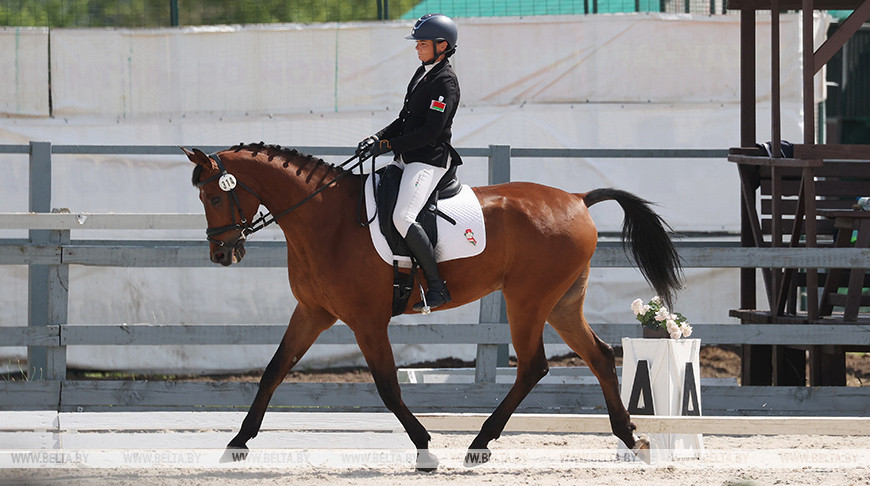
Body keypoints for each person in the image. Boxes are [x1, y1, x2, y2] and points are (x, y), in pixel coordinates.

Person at [358, 13, 461, 312]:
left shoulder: (445, 82)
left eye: (423, 43)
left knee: (403, 217)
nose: (417, 47)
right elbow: (405, 120)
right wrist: (376, 137)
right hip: (406, 157)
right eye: (417, 43)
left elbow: (430, 132)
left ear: (442, 46)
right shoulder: (422, 73)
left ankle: (437, 286)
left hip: (428, 160)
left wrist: (387, 145)